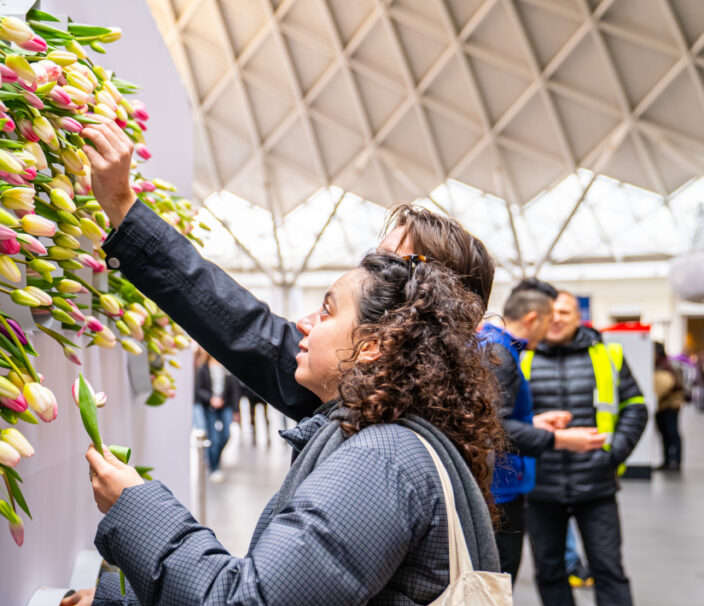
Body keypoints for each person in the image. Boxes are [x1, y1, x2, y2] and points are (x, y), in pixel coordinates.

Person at [59, 252, 508, 606]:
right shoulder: (378, 441)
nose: (304, 323)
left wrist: (135, 506)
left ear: (372, 346)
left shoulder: (379, 460)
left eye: (327, 312)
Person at [75, 121, 497, 428]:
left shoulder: (383, 453)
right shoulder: (374, 397)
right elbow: (241, 324)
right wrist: (122, 205)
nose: (369, 276)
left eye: (389, 267)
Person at [522, 291, 655, 606]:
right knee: (549, 571)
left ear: (578, 316)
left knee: (608, 571)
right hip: (541, 487)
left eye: (565, 312)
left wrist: (611, 455)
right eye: (552, 313)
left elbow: (635, 407)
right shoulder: (523, 358)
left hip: (596, 486)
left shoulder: (607, 355)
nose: (558, 319)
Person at [480, 278, 605, 583]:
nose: (551, 329)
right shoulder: (502, 355)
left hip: (495, 488)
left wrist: (534, 423)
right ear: (533, 318)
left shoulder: (492, 345)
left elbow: (486, 416)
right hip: (501, 493)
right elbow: (495, 430)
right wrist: (561, 439)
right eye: (549, 320)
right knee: (500, 584)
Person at [194, 354, 240, 482]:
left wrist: (236, 410)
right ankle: (214, 467)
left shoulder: (227, 366)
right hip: (210, 407)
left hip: (226, 405)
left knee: (225, 435)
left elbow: (235, 390)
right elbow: (198, 389)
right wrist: (210, 399)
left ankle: (214, 459)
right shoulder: (203, 368)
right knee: (213, 437)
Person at [653, 342, 685, 472]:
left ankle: (676, 461)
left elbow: (667, 385)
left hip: (670, 406)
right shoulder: (659, 367)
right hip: (661, 406)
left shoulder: (666, 368)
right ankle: (667, 460)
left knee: (672, 433)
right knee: (664, 434)